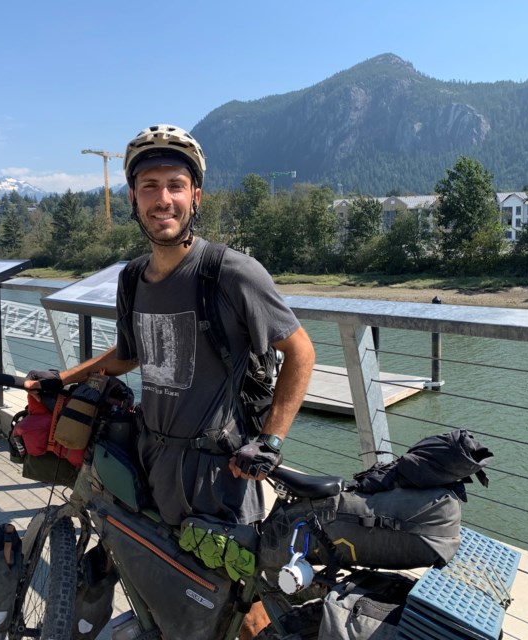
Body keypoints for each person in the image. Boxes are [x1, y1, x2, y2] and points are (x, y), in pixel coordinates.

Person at [24, 123, 315, 640]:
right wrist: (62, 377)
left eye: (175, 186)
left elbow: (300, 352)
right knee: (164, 589)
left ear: (195, 196)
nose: (164, 199)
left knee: (241, 610)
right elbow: (130, 353)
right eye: (150, 186)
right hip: (151, 462)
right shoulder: (132, 278)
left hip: (221, 474)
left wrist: (271, 439)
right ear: (133, 198)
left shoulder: (230, 272)